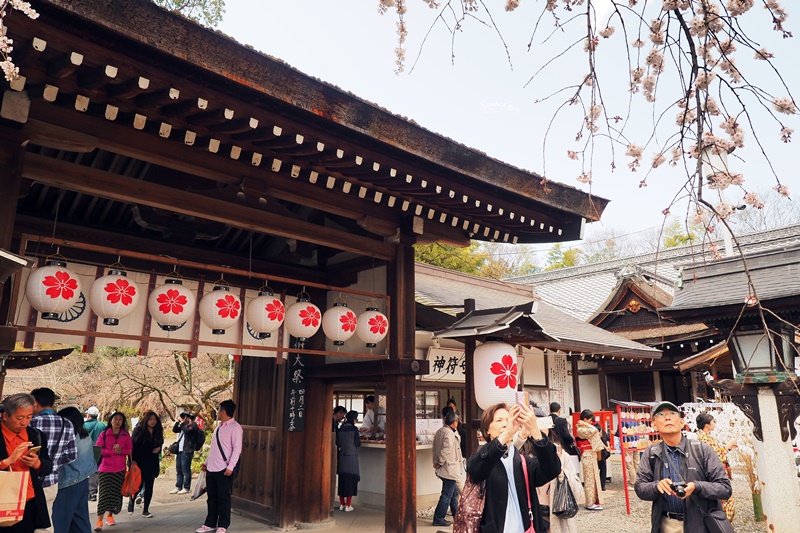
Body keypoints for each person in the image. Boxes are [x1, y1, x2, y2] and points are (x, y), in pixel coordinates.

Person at [635, 401, 732, 533]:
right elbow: (640, 487)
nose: (667, 417)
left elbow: (725, 488)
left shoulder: (702, 450)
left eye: (672, 413)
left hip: (701, 524)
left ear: (681, 422)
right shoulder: (652, 453)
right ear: (653, 424)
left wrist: (697, 487)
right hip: (667, 525)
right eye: (661, 414)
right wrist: (656, 486)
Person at [466, 402, 561, 533]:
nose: (506, 424)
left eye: (508, 420)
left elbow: (552, 470)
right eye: (499, 420)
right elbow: (476, 470)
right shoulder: (481, 459)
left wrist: (535, 431)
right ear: (487, 430)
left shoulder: (523, 461)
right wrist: (507, 433)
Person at [0, 393, 53, 533]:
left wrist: (38, 464)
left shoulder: (36, 435)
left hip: (28, 500)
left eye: (29, 417)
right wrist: (8, 461)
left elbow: (48, 465)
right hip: (3, 500)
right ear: (5, 416)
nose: (24, 423)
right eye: (19, 418)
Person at [30, 387, 77, 533]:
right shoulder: (66, 424)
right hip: (51, 481)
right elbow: (72, 455)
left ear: (35, 403)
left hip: (29, 481)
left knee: (26, 521)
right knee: (46, 522)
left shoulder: (30, 423)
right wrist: (54, 462)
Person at [195, 399, 242, 533]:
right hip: (212, 467)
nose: (217, 412)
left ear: (223, 411)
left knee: (223, 498)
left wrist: (230, 467)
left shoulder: (235, 428)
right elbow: (214, 449)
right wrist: (206, 463)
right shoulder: (218, 428)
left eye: (219, 409)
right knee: (212, 498)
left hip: (224, 468)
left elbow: (236, 449)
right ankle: (210, 523)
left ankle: (223, 524)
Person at [52, 406, 96, 533]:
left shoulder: (68, 437)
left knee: (60, 523)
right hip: (82, 482)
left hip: (67, 484)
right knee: (80, 523)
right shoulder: (84, 435)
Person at [94, 412, 132, 531]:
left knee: (115, 494)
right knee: (104, 494)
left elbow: (129, 450)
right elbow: (98, 450)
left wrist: (121, 451)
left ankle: (110, 516)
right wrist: (111, 452)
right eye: (115, 419)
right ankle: (99, 520)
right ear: (111, 421)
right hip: (105, 469)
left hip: (120, 469)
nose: (117, 422)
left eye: (120, 419)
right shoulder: (104, 434)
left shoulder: (125, 435)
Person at [695, 412, 736, 523]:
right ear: (707, 424)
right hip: (713, 474)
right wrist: (727, 447)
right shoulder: (703, 438)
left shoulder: (706, 437)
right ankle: (721, 523)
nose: (714, 424)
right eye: (713, 421)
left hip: (716, 472)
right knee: (723, 499)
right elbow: (713, 456)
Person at [127, 411, 164, 518]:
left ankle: (146, 509)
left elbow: (160, 442)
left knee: (149, 486)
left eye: (155, 420)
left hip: (152, 462)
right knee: (137, 485)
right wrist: (131, 460)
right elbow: (133, 446)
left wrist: (159, 448)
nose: (153, 422)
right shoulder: (139, 430)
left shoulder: (157, 431)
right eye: (151, 419)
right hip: (140, 461)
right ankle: (131, 502)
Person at [432, 407, 463, 527]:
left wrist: (436, 462)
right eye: (457, 421)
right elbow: (446, 450)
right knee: (447, 495)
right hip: (449, 468)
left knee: (453, 493)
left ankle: (457, 514)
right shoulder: (450, 433)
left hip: (445, 468)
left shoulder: (440, 431)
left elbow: (434, 448)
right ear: (454, 421)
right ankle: (438, 518)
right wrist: (439, 462)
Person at [547, 443, 585, 533]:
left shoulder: (561, 454)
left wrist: (561, 473)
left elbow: (578, 494)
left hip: (558, 515)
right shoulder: (518, 454)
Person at [575, 409, 608, 511]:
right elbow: (594, 430)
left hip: (592, 454)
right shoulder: (580, 429)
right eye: (589, 420)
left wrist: (606, 447)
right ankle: (590, 502)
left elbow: (596, 435)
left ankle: (595, 500)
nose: (591, 422)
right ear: (584, 419)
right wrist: (585, 424)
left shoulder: (584, 428)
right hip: (587, 454)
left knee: (595, 479)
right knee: (589, 479)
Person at [171, 411, 203, 495]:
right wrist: (178, 421)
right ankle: (178, 486)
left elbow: (187, 431)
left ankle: (186, 487)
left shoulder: (193, 425)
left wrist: (183, 423)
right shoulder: (183, 425)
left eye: (184, 417)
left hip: (188, 450)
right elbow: (174, 430)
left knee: (185, 469)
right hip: (180, 450)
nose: (183, 418)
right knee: (179, 469)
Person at [335, 410, 361, 512]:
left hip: (342, 456)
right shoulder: (354, 429)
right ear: (354, 419)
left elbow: (338, 442)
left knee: (342, 480)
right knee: (351, 480)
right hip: (352, 457)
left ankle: (342, 504)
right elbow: (357, 443)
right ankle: (348, 505)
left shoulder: (341, 429)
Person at [83, 407, 105, 502]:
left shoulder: (84, 425)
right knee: (97, 470)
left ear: (88, 415)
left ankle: (90, 492)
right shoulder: (102, 425)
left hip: (86, 450)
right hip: (100, 450)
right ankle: (94, 492)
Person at [593, 420, 612, 490]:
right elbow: (607, 438)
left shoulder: (592, 429)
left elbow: (599, 440)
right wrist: (608, 447)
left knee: (595, 469)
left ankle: (596, 485)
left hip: (596, 451)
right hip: (603, 452)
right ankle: (602, 485)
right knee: (603, 469)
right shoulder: (600, 428)